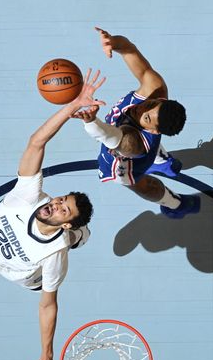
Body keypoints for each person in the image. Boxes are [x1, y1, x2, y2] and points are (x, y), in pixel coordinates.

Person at [0, 69, 105, 360]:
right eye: (61, 199)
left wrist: (46, 353)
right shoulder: (27, 198)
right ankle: (80, 233)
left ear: (66, 220)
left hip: (28, 275)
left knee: (50, 268)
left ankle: (78, 235)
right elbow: (37, 142)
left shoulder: (55, 254)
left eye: (63, 209)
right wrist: (70, 107)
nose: (57, 203)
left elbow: (48, 304)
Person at [73, 27, 199, 219]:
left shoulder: (134, 144)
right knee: (152, 140)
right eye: (150, 105)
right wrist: (113, 42)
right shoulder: (156, 89)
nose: (141, 109)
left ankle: (175, 204)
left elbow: (109, 136)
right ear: (161, 100)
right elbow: (130, 50)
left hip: (122, 159)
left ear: (154, 131)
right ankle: (163, 162)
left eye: (147, 117)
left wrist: (91, 121)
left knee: (142, 185)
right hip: (136, 135)